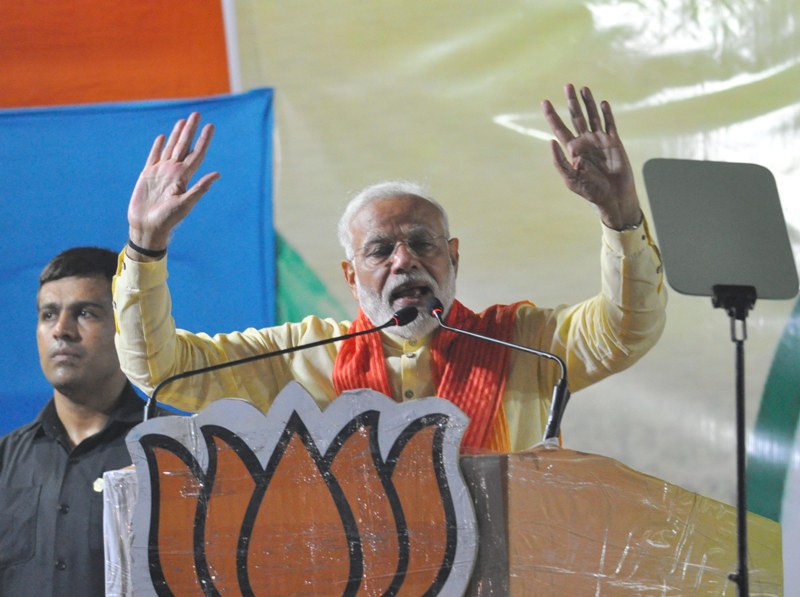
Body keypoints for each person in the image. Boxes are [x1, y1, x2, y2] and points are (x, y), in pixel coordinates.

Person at [114, 84, 667, 452]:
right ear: (350, 276)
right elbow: (160, 370)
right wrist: (146, 244)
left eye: (423, 244)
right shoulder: (303, 357)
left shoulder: (526, 344)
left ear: (453, 257)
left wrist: (620, 215)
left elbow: (627, 329)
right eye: (380, 251)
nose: (405, 260)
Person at [0, 247, 148, 597]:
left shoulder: (168, 452)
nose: (61, 330)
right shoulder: (6, 460)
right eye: (48, 314)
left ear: (127, 327)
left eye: (85, 313)